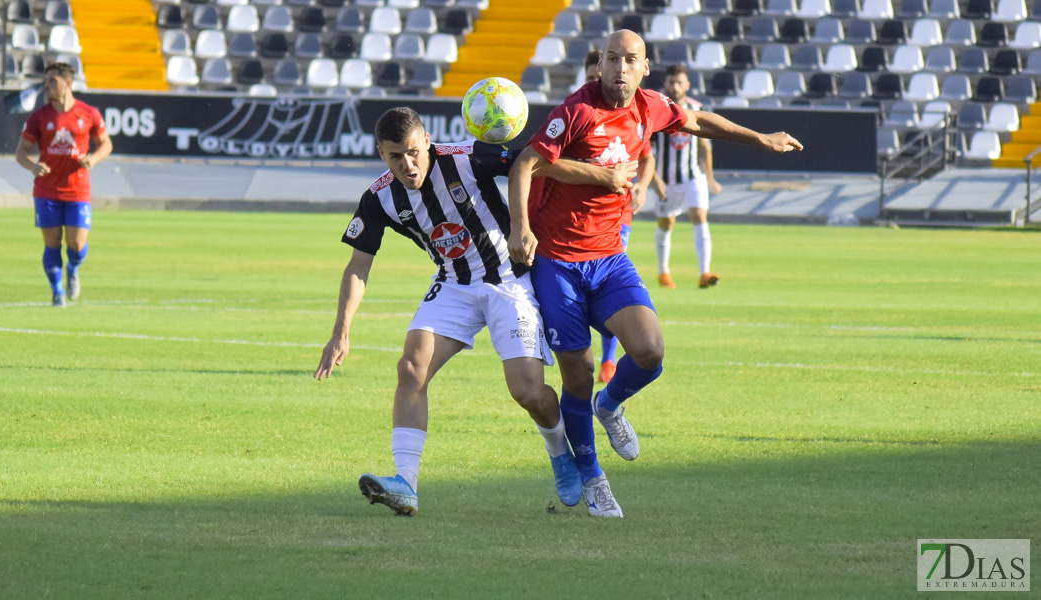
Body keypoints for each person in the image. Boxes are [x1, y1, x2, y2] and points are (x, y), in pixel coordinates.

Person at [508, 30, 802, 518]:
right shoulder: (576, 111)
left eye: (630, 59)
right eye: (611, 58)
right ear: (599, 64)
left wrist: (759, 139)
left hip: (608, 257)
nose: (619, 68)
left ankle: (611, 405)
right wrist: (521, 228)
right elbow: (525, 165)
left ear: (645, 68)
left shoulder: (651, 106)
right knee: (577, 375)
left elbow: (698, 120)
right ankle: (594, 477)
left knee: (650, 351)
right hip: (558, 262)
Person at [314, 107, 637, 517]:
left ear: (426, 139)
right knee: (411, 368)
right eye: (396, 156)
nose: (408, 165)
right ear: (382, 153)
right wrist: (341, 331)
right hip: (454, 282)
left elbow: (536, 161)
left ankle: (559, 451)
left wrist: (605, 177)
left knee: (528, 392)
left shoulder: (467, 158)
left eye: (414, 152)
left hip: (510, 280)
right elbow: (358, 266)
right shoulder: (379, 198)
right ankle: (406, 484)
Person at [586, 48, 657, 384]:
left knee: (606, 283)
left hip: (617, 217)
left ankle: (609, 359)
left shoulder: (632, 115)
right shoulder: (577, 114)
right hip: (574, 225)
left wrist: (642, 186)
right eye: (591, 77)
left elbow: (646, 156)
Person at [14, 62, 112, 307]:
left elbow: (106, 144)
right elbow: (21, 152)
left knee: (77, 244)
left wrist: (92, 159)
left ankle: (74, 267)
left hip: (78, 189)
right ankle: (57, 292)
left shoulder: (88, 113)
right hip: (46, 190)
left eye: (52, 81)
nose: (47, 86)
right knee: (52, 242)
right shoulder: (39, 117)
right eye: (46, 81)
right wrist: (32, 166)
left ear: (68, 84)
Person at [651, 65, 723, 290]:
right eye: (671, 82)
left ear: (687, 85)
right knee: (666, 222)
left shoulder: (696, 109)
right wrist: (654, 180)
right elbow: (644, 150)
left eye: (679, 82)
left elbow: (704, 146)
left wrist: (710, 178)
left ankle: (704, 272)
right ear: (666, 84)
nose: (675, 86)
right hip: (665, 179)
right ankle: (664, 272)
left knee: (700, 216)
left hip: (693, 176)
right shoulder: (655, 112)